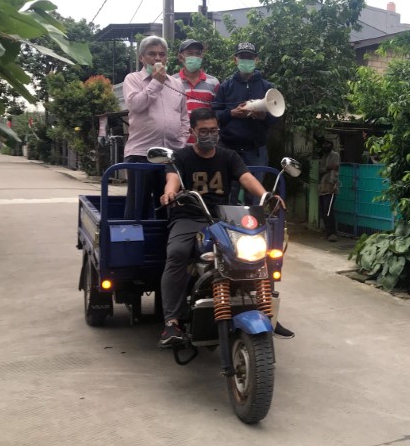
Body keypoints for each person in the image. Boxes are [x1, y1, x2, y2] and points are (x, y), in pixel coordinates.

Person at [158, 107, 292, 347]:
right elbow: (172, 180)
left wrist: (266, 195)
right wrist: (169, 194)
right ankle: (172, 322)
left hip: (224, 218)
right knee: (176, 253)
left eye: (214, 130)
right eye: (204, 131)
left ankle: (267, 310)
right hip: (189, 216)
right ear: (192, 132)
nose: (210, 135)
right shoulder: (181, 157)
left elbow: (246, 177)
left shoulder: (228, 156)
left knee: (262, 253)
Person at [122, 36, 189, 219]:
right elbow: (135, 105)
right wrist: (156, 83)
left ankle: (164, 245)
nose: (157, 58)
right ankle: (133, 245)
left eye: (162, 54)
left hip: (170, 156)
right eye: (152, 54)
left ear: (167, 58)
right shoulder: (133, 79)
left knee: (168, 204)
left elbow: (184, 117)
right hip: (140, 154)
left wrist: (181, 142)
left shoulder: (176, 84)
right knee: (138, 207)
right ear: (142, 58)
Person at [213, 42, 279, 203]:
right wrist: (232, 113)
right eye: (242, 57)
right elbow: (215, 114)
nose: (246, 60)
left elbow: (275, 117)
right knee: (227, 192)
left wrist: (262, 116)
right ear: (235, 60)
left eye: (249, 57)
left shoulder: (267, 87)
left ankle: (253, 226)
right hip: (228, 147)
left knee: (254, 195)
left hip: (255, 150)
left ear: (256, 60)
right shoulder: (225, 86)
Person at [176, 39, 220, 144]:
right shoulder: (172, 82)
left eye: (197, 54)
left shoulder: (213, 82)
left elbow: (217, 113)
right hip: (178, 143)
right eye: (190, 53)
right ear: (180, 57)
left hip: (205, 144)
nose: (194, 57)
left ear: (202, 57)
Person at [318, 138, 340, 242]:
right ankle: (328, 233)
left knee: (328, 210)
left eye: (328, 143)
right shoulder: (324, 157)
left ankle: (333, 233)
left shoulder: (335, 155)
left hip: (331, 187)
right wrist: (328, 168)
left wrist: (333, 184)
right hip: (323, 187)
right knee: (323, 211)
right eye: (324, 144)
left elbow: (335, 168)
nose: (325, 146)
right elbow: (321, 170)